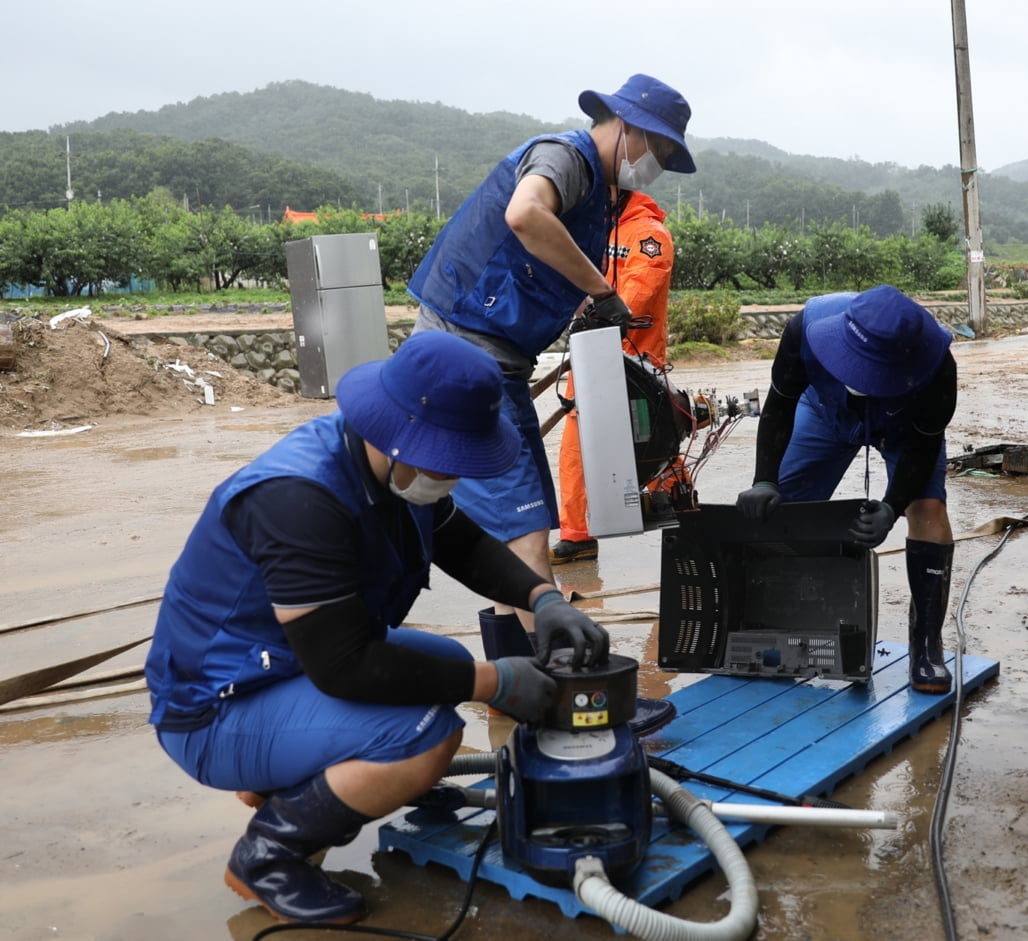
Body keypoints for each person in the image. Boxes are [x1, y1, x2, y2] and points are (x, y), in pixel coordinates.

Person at [144, 331, 609, 925]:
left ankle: (304, 780)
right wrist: (494, 682)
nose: (454, 476)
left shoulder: (391, 466)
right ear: (397, 435)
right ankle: (268, 855)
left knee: (438, 662)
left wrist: (544, 598)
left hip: (285, 664)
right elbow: (344, 666)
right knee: (427, 733)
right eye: (448, 460)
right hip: (214, 709)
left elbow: (459, 542)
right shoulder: (298, 499)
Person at [405, 74, 696, 647]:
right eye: (658, 152)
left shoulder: (605, 199)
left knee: (513, 521)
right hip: (466, 353)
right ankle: (566, 680)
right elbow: (525, 214)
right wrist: (601, 292)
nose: (655, 166)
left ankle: (519, 680)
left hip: (495, 359)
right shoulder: (566, 157)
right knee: (528, 527)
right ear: (630, 130)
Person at [735, 285, 957, 694]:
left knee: (927, 512)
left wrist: (892, 507)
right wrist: (763, 479)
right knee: (782, 505)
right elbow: (780, 404)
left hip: (903, 428)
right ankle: (776, 625)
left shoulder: (938, 368)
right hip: (824, 412)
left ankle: (926, 644)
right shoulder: (804, 328)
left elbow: (923, 448)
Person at [552, 188, 688, 564]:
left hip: (636, 364)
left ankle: (684, 514)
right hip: (592, 355)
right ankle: (576, 535)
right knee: (576, 443)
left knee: (658, 442)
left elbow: (637, 294)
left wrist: (598, 314)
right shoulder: (597, 230)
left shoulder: (649, 235)